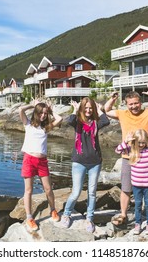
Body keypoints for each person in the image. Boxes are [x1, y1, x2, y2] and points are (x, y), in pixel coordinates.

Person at [104, 82, 148, 226]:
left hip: (147, 156)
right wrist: (112, 99)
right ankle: (123, 215)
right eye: (130, 104)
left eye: (136, 103)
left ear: (140, 102)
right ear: (126, 104)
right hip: (128, 157)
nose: (134, 106)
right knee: (126, 188)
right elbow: (107, 110)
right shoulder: (122, 114)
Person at [61, 97, 110, 233]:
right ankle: (66, 215)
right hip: (78, 162)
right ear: (82, 108)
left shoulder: (96, 122)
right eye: (85, 108)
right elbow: (69, 120)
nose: (88, 110)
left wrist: (100, 111)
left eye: (90, 108)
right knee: (76, 192)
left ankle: (89, 218)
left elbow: (106, 121)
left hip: (95, 162)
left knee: (92, 192)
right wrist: (75, 110)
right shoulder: (77, 122)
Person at [19, 99, 63, 231]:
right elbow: (21, 109)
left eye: (45, 113)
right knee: (29, 190)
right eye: (40, 113)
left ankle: (53, 210)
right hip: (29, 160)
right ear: (36, 113)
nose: (43, 115)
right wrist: (33, 105)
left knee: (48, 189)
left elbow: (59, 118)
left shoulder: (46, 127)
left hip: (42, 162)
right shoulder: (28, 124)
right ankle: (29, 218)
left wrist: (50, 110)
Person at [115, 129, 148, 235]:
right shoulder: (131, 151)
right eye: (139, 142)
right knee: (138, 205)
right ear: (135, 142)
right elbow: (118, 150)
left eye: (143, 142)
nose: (141, 144)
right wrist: (126, 141)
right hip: (136, 185)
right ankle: (137, 224)